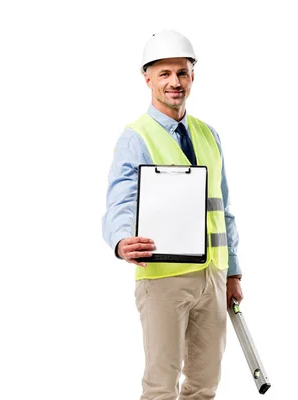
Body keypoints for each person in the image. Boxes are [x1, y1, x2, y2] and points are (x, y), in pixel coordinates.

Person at [102, 30, 244, 400]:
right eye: (164, 74)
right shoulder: (136, 137)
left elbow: (222, 208)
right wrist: (120, 241)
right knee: (161, 385)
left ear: (192, 76)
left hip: (211, 277)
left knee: (204, 383)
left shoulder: (208, 134)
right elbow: (119, 201)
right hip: (163, 278)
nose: (174, 83)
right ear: (147, 78)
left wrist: (232, 271)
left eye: (181, 73)